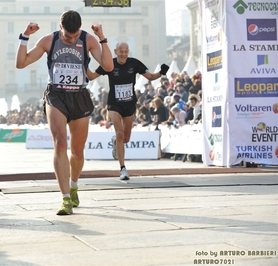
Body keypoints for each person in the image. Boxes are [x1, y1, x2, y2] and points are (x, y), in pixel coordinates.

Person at [15, 10, 113, 215]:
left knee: (77, 151)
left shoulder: (88, 39)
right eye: (68, 36)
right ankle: (65, 198)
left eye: (75, 35)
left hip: (79, 96)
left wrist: (102, 39)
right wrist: (25, 36)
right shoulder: (48, 40)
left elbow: (108, 66)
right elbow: (21, 63)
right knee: (60, 142)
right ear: (60, 28)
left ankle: (74, 185)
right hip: (56, 95)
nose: (72, 39)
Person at [87, 41, 169, 180]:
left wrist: (162, 72)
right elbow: (91, 76)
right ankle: (122, 168)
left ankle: (116, 142)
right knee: (119, 133)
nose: (123, 54)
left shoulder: (134, 63)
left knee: (126, 138)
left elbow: (150, 77)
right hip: (114, 104)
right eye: (121, 51)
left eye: (126, 51)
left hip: (129, 104)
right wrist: (85, 64)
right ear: (115, 51)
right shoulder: (109, 64)